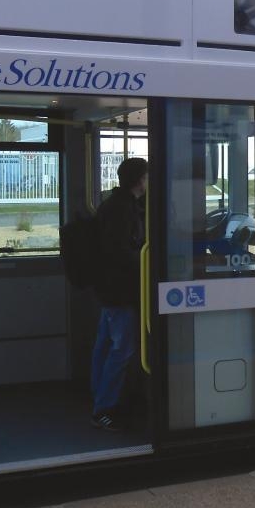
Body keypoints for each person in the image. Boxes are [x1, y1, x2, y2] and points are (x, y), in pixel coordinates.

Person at [89, 157, 147, 431]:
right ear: (139, 180)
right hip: (119, 291)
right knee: (122, 349)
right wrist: (149, 259)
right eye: (147, 177)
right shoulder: (122, 209)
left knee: (105, 347)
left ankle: (99, 398)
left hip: (109, 289)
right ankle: (103, 408)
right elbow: (120, 252)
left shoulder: (121, 204)